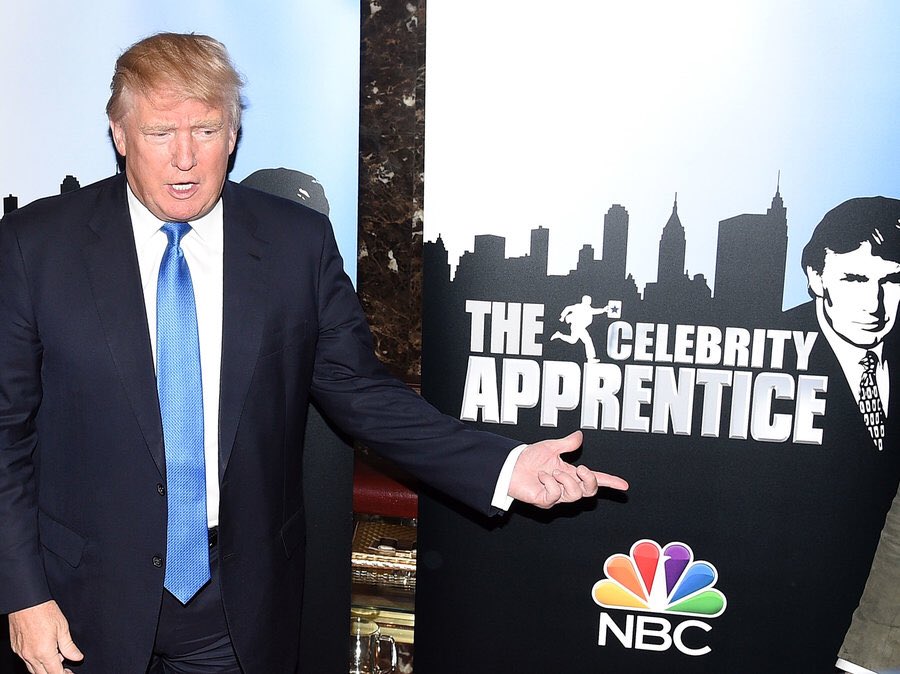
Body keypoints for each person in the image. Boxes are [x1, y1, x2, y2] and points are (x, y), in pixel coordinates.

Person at [0, 33, 628, 673]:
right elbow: (5, 433)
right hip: (77, 604)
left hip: (235, 606)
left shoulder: (294, 242)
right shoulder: (33, 247)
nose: (185, 158)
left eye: (206, 131)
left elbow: (362, 392)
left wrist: (504, 465)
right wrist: (23, 595)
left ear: (234, 134)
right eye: (160, 133)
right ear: (119, 133)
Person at [788, 196, 900, 673]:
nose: (874, 304)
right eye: (855, 279)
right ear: (816, 277)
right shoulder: (771, 347)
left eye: (891, 280)